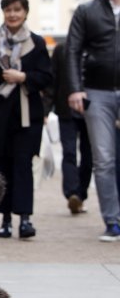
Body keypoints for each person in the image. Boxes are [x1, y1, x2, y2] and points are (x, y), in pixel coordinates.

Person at [0, 0, 52, 239]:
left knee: (24, 166)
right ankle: (5, 220)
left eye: (17, 9)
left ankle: (25, 219)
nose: (13, 14)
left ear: (25, 12)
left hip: (27, 115)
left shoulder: (36, 42)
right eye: (8, 10)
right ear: (3, 12)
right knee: (3, 167)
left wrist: (23, 77)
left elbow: (47, 77)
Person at [65, 0, 120, 242]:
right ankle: (113, 220)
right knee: (104, 159)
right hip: (97, 94)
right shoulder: (87, 11)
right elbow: (72, 50)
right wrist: (75, 88)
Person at [48, 43, 91, 215]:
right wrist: (46, 109)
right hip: (66, 109)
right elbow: (54, 79)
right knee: (69, 152)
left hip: (92, 109)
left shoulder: (97, 46)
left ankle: (80, 194)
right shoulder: (61, 49)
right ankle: (73, 193)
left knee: (89, 156)